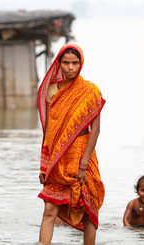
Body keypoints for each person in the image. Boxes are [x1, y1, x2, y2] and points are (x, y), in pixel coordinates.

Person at [37, 44, 105, 245]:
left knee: (88, 208)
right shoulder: (51, 91)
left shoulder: (90, 91)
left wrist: (84, 164)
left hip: (83, 154)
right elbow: (49, 131)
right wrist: (44, 164)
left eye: (75, 63)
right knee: (50, 209)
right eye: (66, 63)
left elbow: (96, 130)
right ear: (59, 64)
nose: (70, 67)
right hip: (58, 157)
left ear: (81, 64)